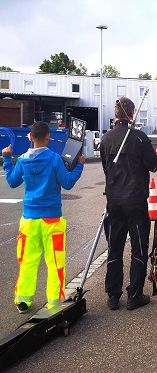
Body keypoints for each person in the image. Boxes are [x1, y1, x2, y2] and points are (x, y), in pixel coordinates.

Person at [2, 121, 85, 313]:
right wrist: (79, 166)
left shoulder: (22, 160)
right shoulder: (55, 159)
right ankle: (54, 302)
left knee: (28, 261)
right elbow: (69, 182)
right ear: (48, 137)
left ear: (30, 137)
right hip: (52, 221)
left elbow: (13, 182)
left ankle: (23, 301)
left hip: (29, 221)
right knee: (55, 262)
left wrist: (7, 159)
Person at [100, 96, 157, 311]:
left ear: (116, 115)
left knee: (114, 248)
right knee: (138, 248)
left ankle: (113, 296)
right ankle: (134, 294)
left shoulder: (105, 139)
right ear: (132, 114)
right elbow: (153, 165)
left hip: (114, 201)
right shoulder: (139, 138)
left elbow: (106, 170)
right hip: (135, 202)